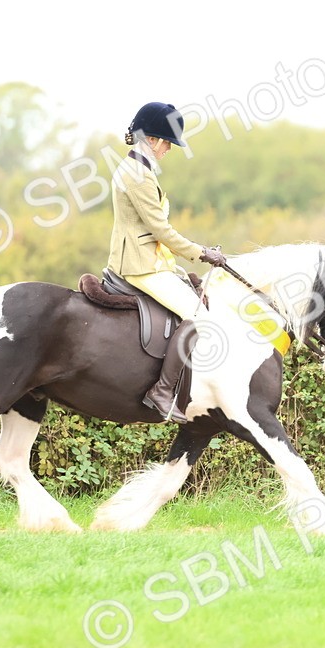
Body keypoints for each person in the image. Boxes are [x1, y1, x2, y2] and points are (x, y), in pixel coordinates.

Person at [108, 101, 227, 422]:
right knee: (198, 315)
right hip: (138, 263)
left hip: (149, 257)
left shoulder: (138, 169)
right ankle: (161, 391)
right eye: (168, 143)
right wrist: (202, 253)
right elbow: (160, 228)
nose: (169, 149)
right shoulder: (138, 176)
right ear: (154, 139)